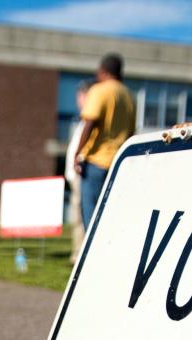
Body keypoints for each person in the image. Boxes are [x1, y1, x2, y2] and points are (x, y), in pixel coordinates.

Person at [74, 53, 135, 233]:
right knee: (111, 216)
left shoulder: (99, 90)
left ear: (103, 71)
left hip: (96, 163)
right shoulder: (128, 96)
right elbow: (131, 132)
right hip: (118, 164)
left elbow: (90, 122)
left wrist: (78, 154)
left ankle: (92, 259)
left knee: (91, 217)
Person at [65, 80, 93, 263]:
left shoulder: (91, 119)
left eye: (81, 95)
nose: (78, 99)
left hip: (82, 175)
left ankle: (81, 256)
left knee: (82, 217)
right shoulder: (82, 121)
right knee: (76, 217)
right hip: (75, 176)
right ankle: (78, 252)